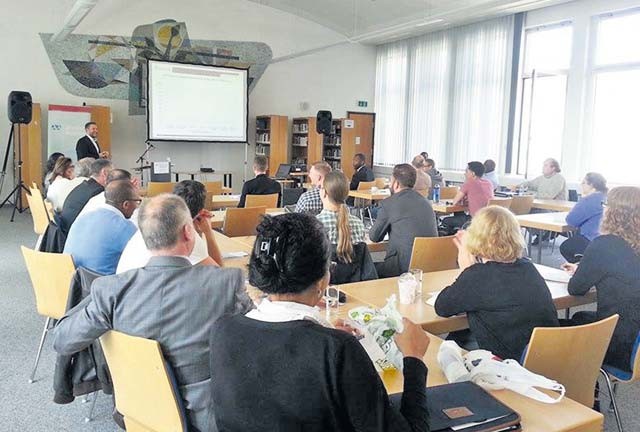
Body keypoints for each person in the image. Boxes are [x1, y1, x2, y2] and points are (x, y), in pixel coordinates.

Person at [209, 213, 430, 432]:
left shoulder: (222, 331)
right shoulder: (336, 350)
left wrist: (325, 335)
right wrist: (414, 358)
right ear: (324, 280)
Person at [53, 194, 253, 431]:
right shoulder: (227, 283)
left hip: (138, 408)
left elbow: (62, 340)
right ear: (188, 232)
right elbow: (261, 337)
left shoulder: (111, 290)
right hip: (209, 417)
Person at [435, 206, 559, 360]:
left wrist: (466, 270)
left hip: (508, 366)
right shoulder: (528, 267)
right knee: (462, 332)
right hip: (545, 359)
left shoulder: (478, 276)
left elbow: (441, 307)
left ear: (476, 237)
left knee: (447, 348)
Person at [562, 187, 640, 374]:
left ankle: (583, 393)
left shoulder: (605, 244)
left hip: (619, 344)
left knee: (558, 327)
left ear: (613, 213)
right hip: (635, 340)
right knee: (581, 318)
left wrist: (585, 270)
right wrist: (589, 268)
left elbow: (576, 289)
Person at [117, 180, 222, 273]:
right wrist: (208, 232)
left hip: (127, 286)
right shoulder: (185, 234)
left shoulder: (153, 222)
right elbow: (220, 273)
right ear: (200, 211)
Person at [369, 163, 438, 278]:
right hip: (428, 265)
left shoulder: (389, 203)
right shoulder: (426, 203)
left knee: (367, 268)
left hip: (402, 267)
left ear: (396, 183)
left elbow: (374, 237)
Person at [63, 180, 139, 275]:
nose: (137, 206)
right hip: (102, 286)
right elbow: (144, 257)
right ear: (126, 205)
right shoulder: (124, 227)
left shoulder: (83, 217)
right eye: (137, 201)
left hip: (70, 283)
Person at [317, 171, 366, 262]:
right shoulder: (358, 223)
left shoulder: (315, 225)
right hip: (354, 275)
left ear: (324, 192)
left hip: (326, 275)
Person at [560, 172, 608, 263]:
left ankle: (582, 265)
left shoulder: (589, 200)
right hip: (607, 239)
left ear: (592, 185)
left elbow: (571, 221)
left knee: (566, 247)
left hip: (591, 238)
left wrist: (582, 199)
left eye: (584, 182)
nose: (581, 184)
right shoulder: (607, 198)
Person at [58, 159, 112, 235]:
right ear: (105, 173)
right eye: (113, 173)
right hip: (77, 235)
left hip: (65, 231)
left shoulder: (84, 186)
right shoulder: (98, 192)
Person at [442, 161, 494, 233]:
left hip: (474, 220)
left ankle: (451, 242)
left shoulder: (469, 183)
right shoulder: (489, 183)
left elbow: (455, 202)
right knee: (458, 214)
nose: (464, 174)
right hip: (488, 220)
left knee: (446, 221)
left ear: (473, 173)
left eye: (466, 171)